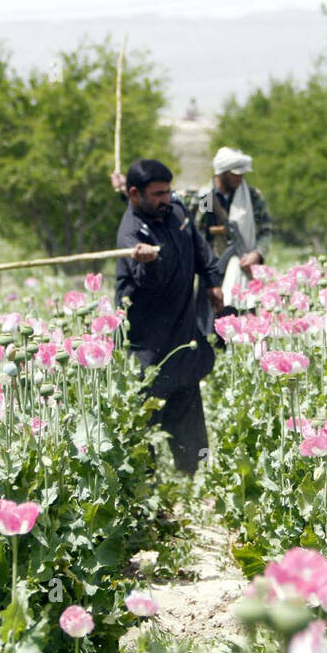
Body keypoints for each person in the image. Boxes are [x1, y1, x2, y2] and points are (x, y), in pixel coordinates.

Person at [114, 159, 223, 475]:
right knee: (143, 420)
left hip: (182, 332)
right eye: (158, 194)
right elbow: (148, 283)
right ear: (134, 194)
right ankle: (145, 492)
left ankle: (195, 479)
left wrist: (212, 284)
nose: (166, 198)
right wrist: (145, 261)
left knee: (189, 408)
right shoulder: (131, 232)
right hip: (147, 344)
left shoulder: (175, 211)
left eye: (167, 191)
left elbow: (200, 250)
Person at [187, 146, 273, 335]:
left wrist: (257, 253)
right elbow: (199, 230)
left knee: (242, 322)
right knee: (207, 326)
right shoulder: (206, 197)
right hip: (211, 267)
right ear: (222, 172)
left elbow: (266, 230)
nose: (239, 178)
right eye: (234, 174)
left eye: (241, 174)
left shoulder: (251, 196)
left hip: (243, 265)